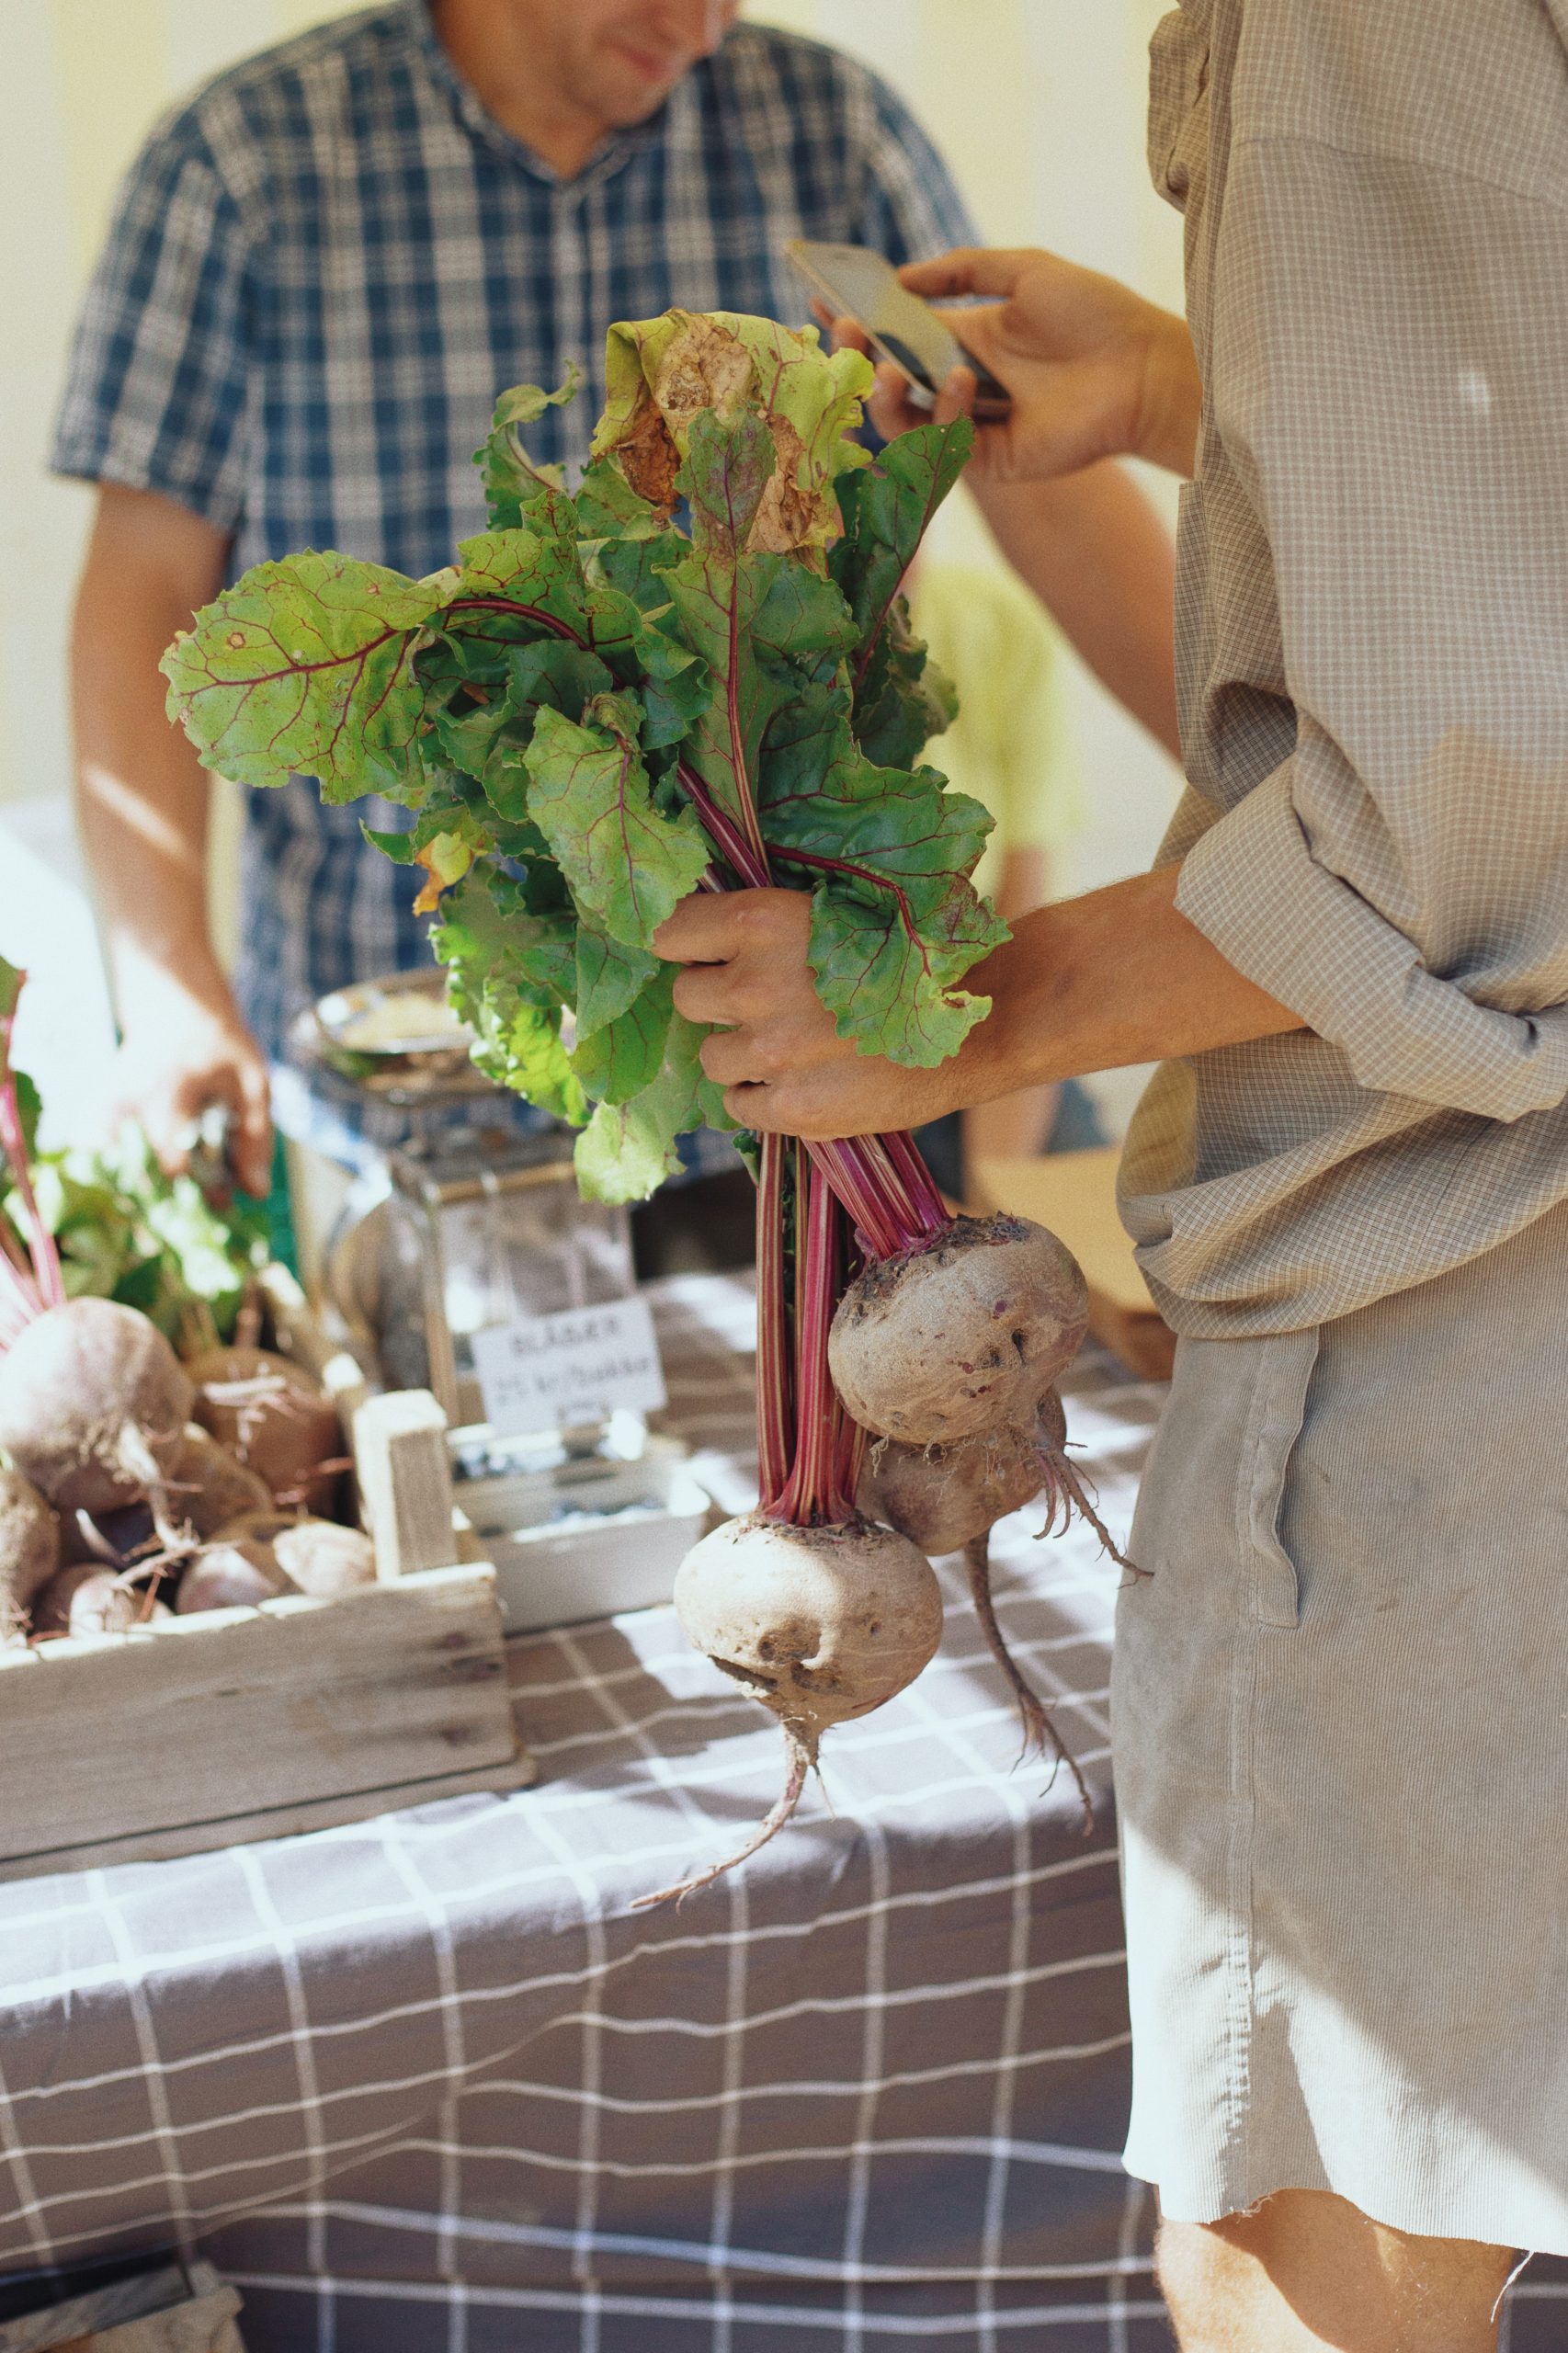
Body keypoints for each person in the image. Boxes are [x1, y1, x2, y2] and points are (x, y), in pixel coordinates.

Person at [654, 1, 1568, 2345]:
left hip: (1457, 1323)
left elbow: (1454, 821)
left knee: (1310, 2250)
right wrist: (1193, 385)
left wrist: (954, 1007)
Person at [54, 0, 1178, 1213]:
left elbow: (1028, 473)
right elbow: (143, 591)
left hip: (786, 1081)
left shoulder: (830, 133)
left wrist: (1287, 778)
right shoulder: (242, 165)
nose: (698, 30)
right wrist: (168, 982)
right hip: (405, 1095)